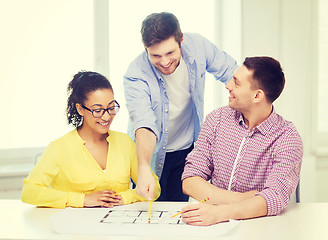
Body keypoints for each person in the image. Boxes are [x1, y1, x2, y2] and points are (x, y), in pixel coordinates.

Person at [124, 12, 238, 201]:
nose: (165, 61)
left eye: (170, 53)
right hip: (149, 155)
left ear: (181, 40)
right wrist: (143, 168)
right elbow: (144, 123)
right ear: (146, 50)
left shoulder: (199, 46)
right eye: (155, 55)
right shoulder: (135, 74)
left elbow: (232, 73)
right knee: (149, 216)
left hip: (186, 150)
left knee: (177, 215)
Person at [180, 56, 303, 225]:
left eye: (236, 83)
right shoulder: (217, 119)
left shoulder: (287, 138)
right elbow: (190, 181)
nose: (228, 85)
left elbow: (274, 198)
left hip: (259, 226)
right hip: (211, 223)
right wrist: (243, 200)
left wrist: (220, 212)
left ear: (257, 95)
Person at [21, 71, 160, 208]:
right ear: (80, 109)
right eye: (97, 110)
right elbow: (29, 193)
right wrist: (83, 199)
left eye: (111, 108)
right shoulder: (59, 148)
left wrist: (123, 198)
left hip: (116, 224)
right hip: (73, 227)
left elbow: (153, 188)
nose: (106, 117)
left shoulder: (125, 142)